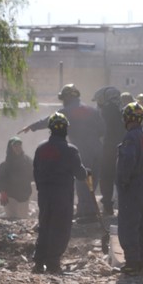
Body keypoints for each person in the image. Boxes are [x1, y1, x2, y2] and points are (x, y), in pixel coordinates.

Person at [19, 84, 103, 221]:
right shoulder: (92, 110)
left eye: (63, 97)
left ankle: (86, 213)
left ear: (68, 97)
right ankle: (91, 210)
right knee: (93, 179)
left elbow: (50, 121)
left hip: (83, 149)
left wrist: (32, 127)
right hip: (98, 149)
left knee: (82, 179)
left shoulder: (66, 111)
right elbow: (102, 129)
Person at [32, 113, 88, 274]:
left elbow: (35, 171)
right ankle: (53, 262)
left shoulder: (41, 148)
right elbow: (80, 174)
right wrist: (86, 172)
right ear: (66, 130)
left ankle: (38, 262)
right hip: (62, 195)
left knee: (45, 225)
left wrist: (41, 189)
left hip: (44, 194)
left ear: (50, 129)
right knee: (60, 227)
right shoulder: (71, 150)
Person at [116, 102, 143, 275]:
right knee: (142, 224)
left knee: (128, 225)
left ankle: (132, 263)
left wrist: (123, 180)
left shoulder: (131, 137)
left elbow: (128, 160)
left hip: (132, 185)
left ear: (127, 118)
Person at [93, 86, 125, 215]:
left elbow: (99, 130)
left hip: (107, 149)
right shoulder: (123, 111)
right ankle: (123, 206)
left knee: (106, 177)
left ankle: (107, 206)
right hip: (123, 148)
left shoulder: (104, 111)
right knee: (121, 178)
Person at [0, 136, 34, 219]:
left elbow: (34, 175)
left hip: (24, 196)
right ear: (10, 148)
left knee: (23, 220)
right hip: (10, 197)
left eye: (19, 146)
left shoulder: (27, 161)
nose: (18, 148)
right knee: (12, 219)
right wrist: (3, 193)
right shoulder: (5, 165)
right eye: (15, 146)